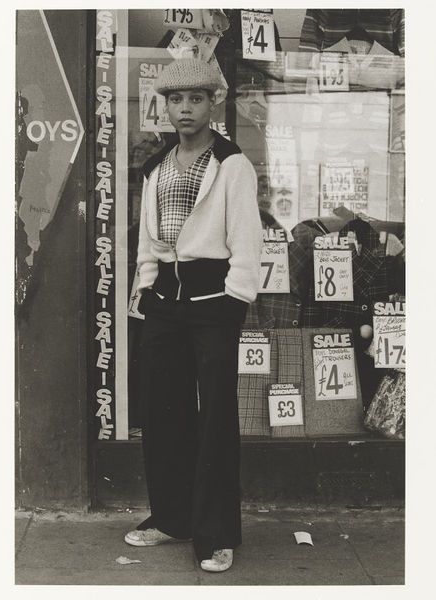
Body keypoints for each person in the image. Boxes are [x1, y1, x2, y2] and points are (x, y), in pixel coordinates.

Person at [125, 58, 263, 573]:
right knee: (163, 414)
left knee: (216, 420)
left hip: (214, 303)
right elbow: (148, 237)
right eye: (176, 100)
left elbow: (246, 238)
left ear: (214, 103)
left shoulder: (231, 165)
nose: (185, 109)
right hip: (163, 303)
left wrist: (236, 297)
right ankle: (171, 518)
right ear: (165, 106)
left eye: (196, 99)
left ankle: (215, 532)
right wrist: (144, 287)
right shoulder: (156, 167)